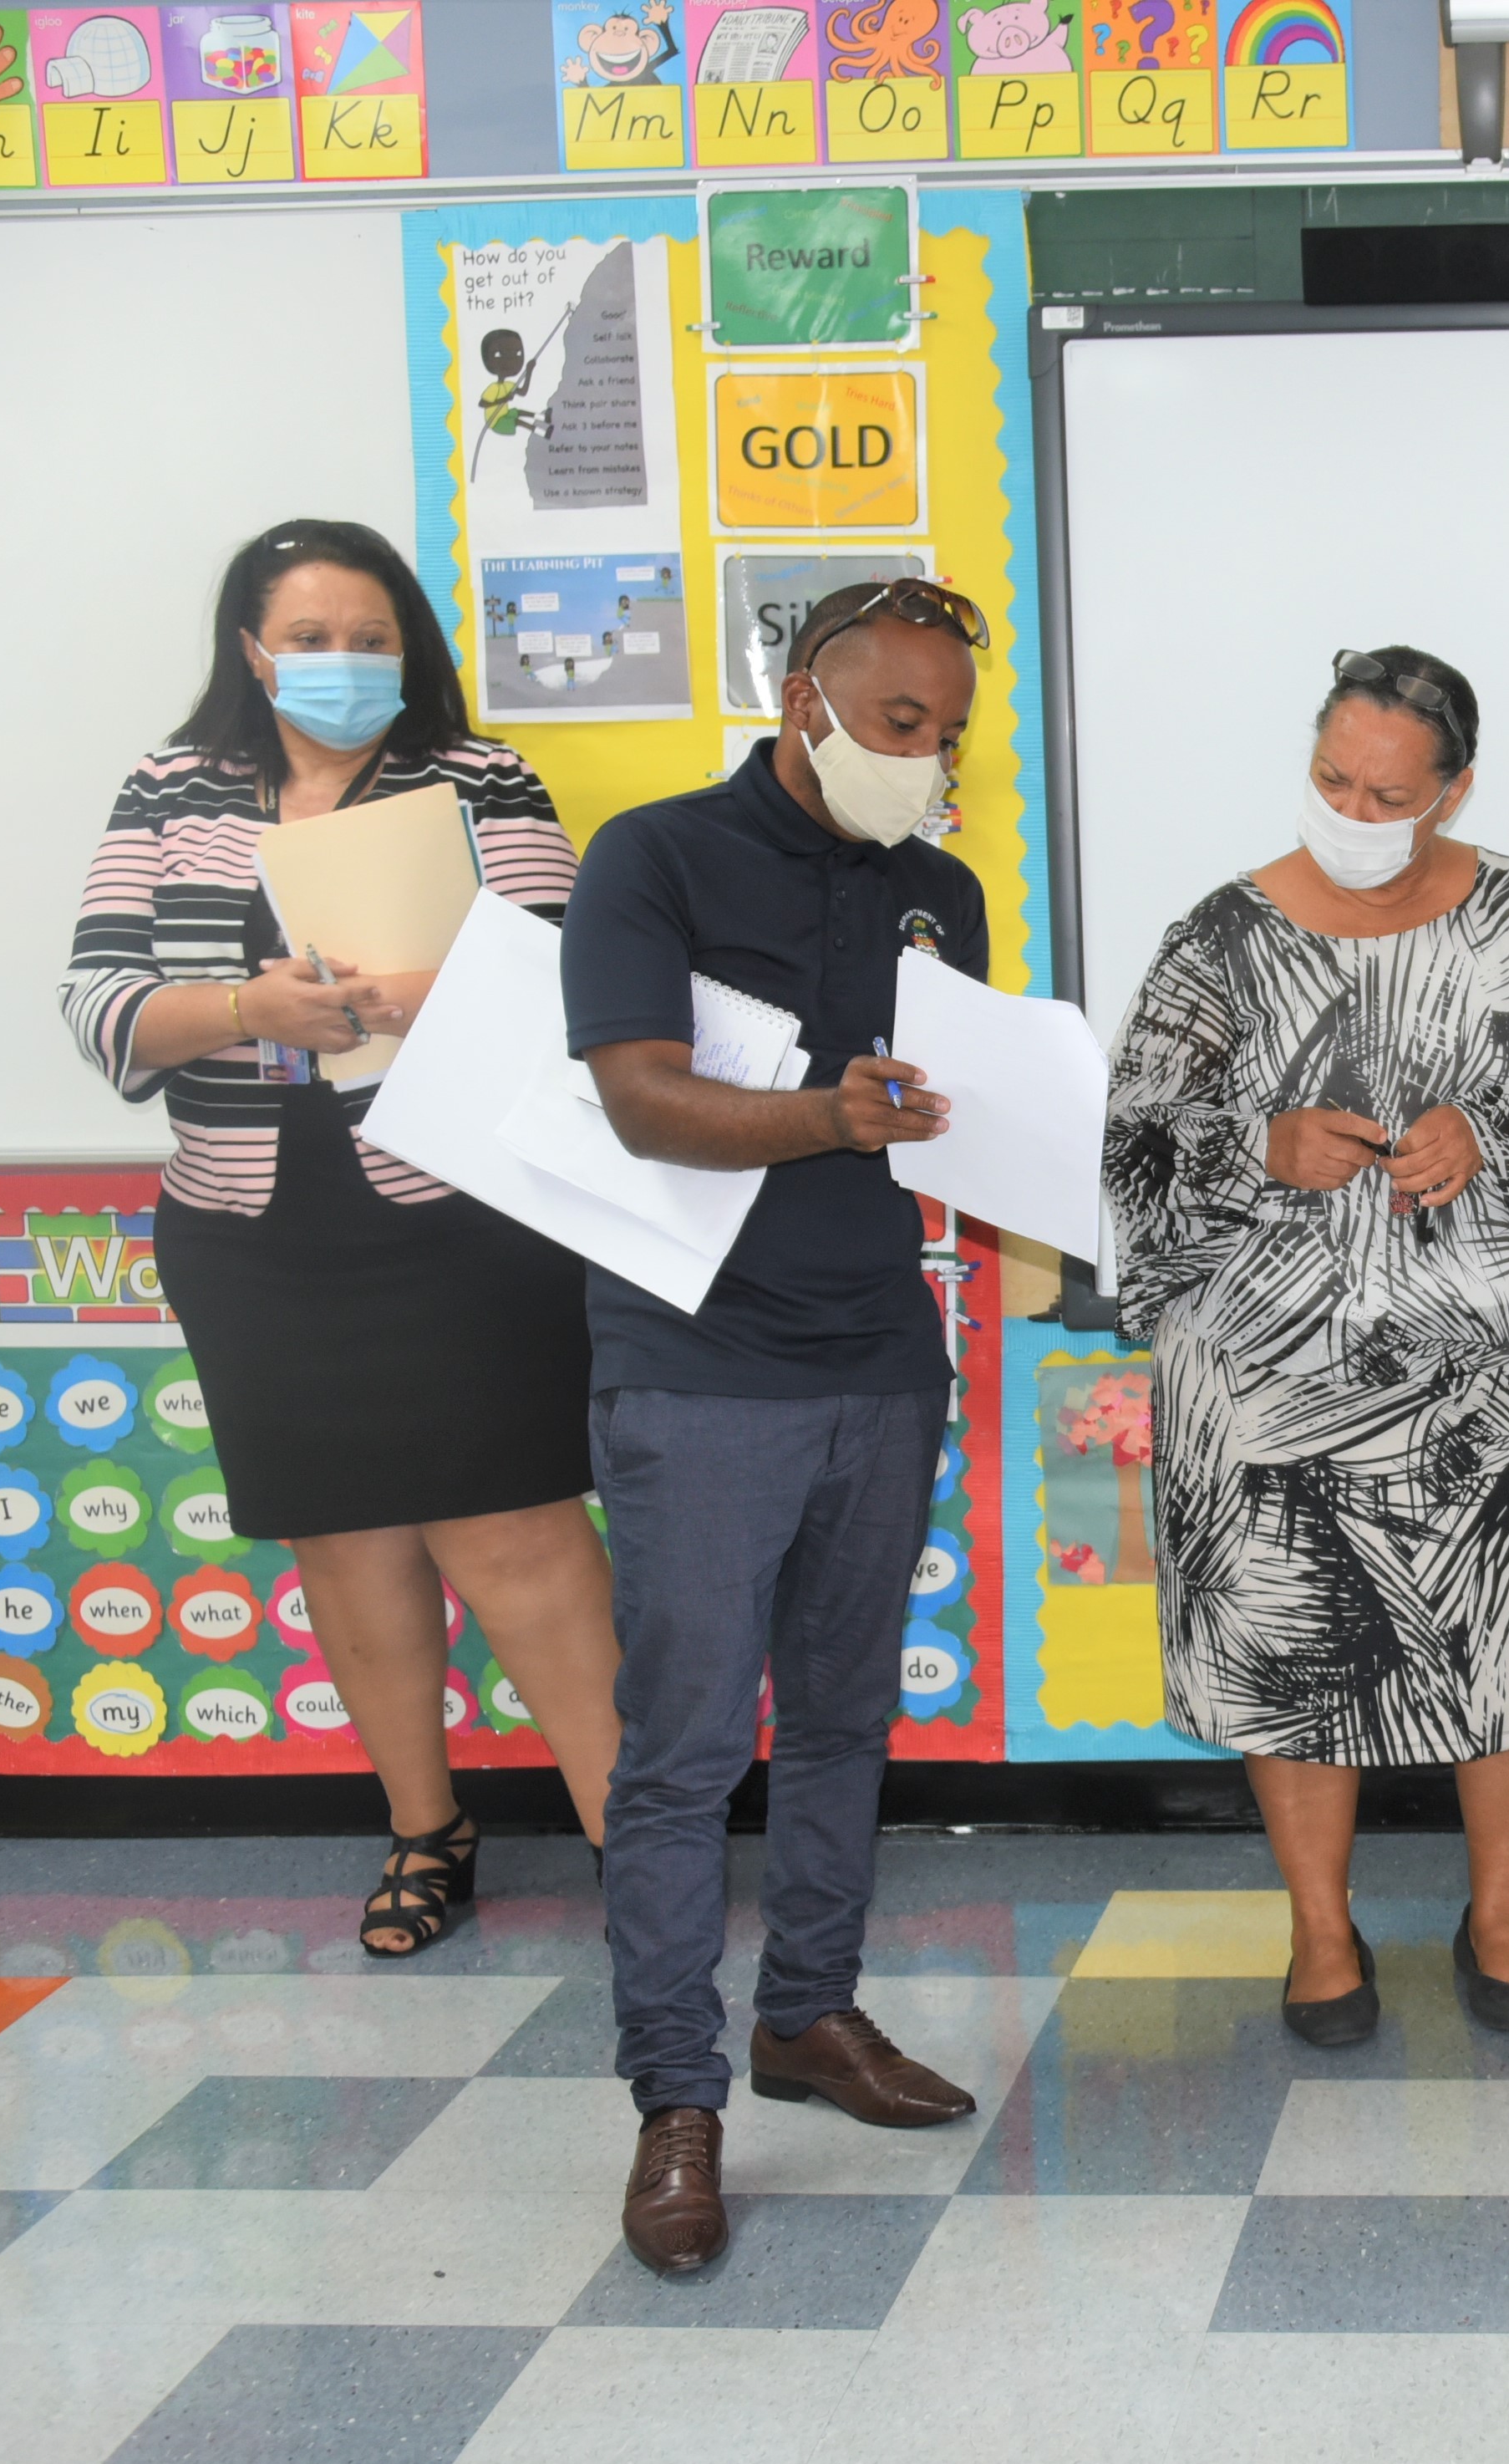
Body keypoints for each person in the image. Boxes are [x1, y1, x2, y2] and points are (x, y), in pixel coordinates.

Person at [59, 518, 626, 1956]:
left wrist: (419, 993)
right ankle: (424, 1830)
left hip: (459, 1219)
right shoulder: (168, 788)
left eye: (370, 639)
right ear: (251, 649)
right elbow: (100, 1000)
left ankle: (644, 1835)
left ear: (410, 649)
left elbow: (572, 970)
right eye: (309, 640)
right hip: (255, 1233)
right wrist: (249, 1011)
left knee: (521, 1538)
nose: (342, 664)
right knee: (348, 1540)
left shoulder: (477, 773)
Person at [1102, 647, 1509, 2048]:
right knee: (1296, 1646)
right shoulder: (1217, 938)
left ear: (1454, 788)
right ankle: (1319, 1930)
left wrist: (1500, 1128)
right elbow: (1134, 1141)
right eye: (1331, 779)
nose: (1354, 808)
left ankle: (1499, 1915)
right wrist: (1263, 1143)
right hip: (1271, 1388)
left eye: (1389, 790)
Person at [562, 578, 993, 2276]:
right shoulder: (651, 858)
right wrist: (829, 1110)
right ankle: (678, 2101)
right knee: (679, 1756)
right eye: (902, 727)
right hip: (693, 1367)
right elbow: (639, 1097)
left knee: (840, 1719)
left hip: (881, 1356)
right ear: (805, 701)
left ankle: (809, 2018)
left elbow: (949, 1113)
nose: (929, 760)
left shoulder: (936, 891)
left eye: (949, 733)